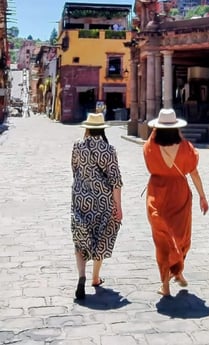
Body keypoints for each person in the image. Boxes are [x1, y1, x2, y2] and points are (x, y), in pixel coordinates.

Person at [143, 108, 209, 297]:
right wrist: (203, 196)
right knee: (181, 236)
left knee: (163, 240)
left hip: (157, 194)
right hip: (180, 194)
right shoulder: (187, 148)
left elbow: (151, 149)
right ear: (177, 128)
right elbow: (194, 173)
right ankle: (178, 271)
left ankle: (166, 284)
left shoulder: (150, 147)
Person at [71, 112, 123, 300]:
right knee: (101, 237)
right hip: (102, 200)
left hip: (80, 197)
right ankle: (95, 277)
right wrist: (118, 207)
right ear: (102, 129)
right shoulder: (109, 149)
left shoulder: (77, 146)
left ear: (87, 128)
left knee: (80, 238)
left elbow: (74, 170)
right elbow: (116, 181)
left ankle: (81, 277)